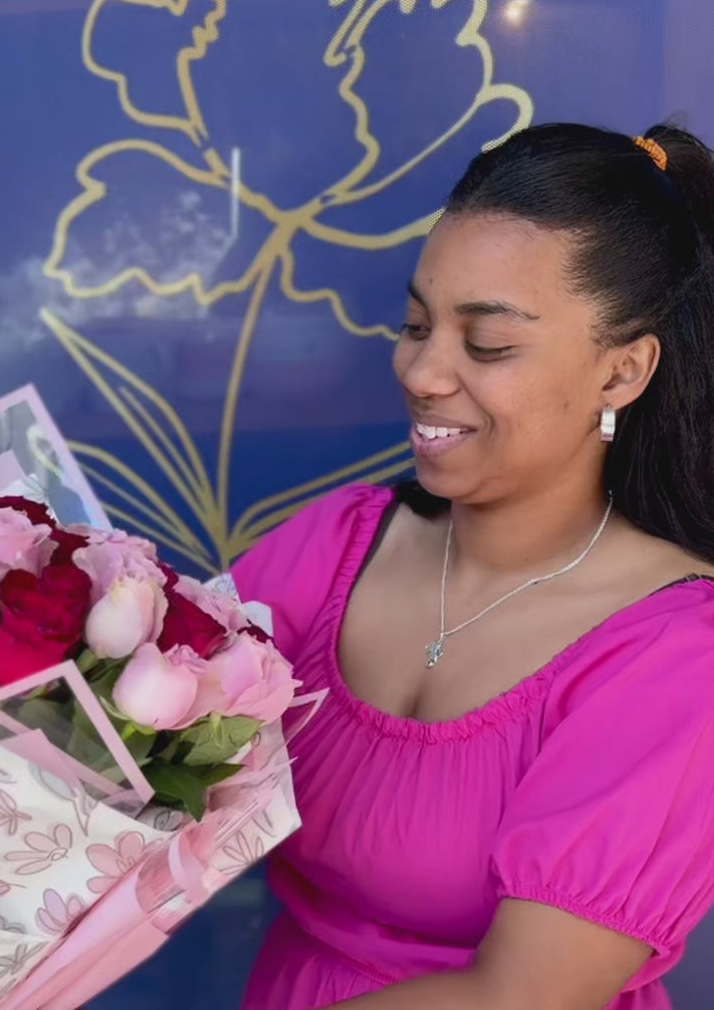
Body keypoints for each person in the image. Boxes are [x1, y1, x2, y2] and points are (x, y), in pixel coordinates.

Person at [231, 122, 714, 1010]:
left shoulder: (676, 654)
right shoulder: (335, 543)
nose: (421, 371)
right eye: (416, 324)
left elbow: (519, 996)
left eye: (486, 345)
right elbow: (137, 755)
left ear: (623, 373)